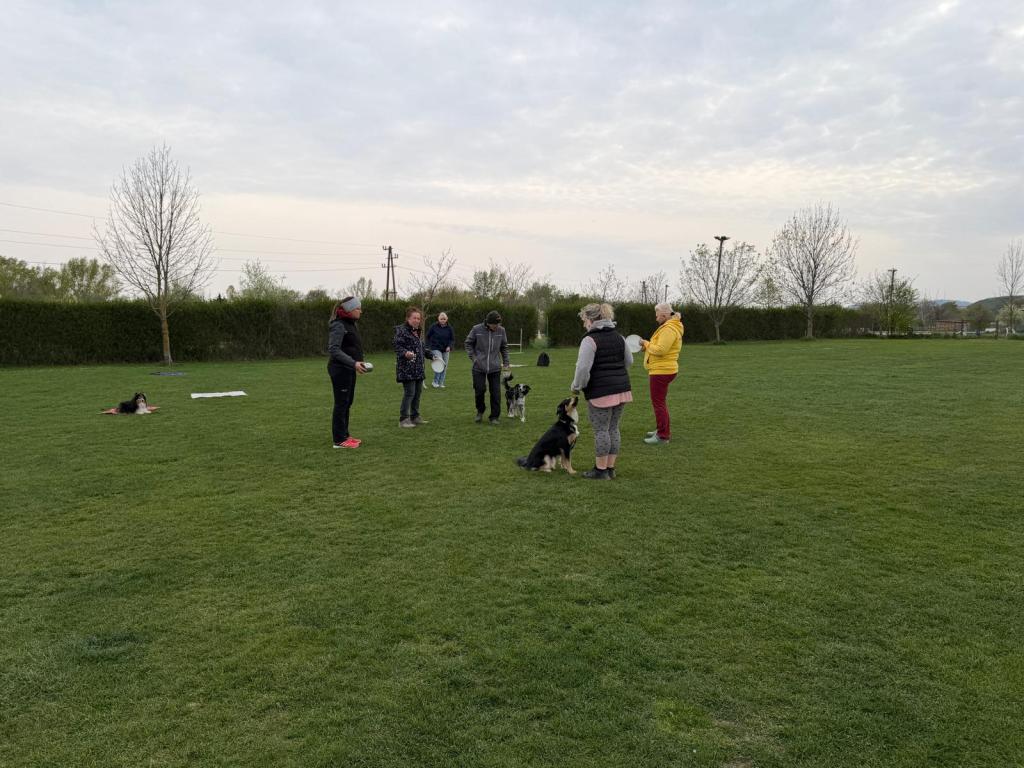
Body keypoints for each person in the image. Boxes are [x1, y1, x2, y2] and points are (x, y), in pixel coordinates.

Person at [570, 303, 632, 479]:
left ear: (591, 320)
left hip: (601, 392)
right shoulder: (619, 337)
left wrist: (576, 387)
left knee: (601, 430)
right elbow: (629, 361)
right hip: (622, 389)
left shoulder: (589, 340)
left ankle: (601, 470)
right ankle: (610, 468)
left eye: (584, 320)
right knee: (613, 428)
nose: (584, 324)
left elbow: (583, 369)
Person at [639, 302, 684, 445]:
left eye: (657, 315)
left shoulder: (668, 329)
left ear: (664, 315)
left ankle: (663, 436)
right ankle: (661, 429)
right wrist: (647, 347)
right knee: (660, 402)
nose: (656, 318)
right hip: (663, 369)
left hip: (661, 371)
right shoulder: (670, 327)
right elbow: (659, 347)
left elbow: (661, 350)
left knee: (659, 404)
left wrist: (646, 343)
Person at [327, 296, 368, 448]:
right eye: (358, 308)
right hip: (340, 369)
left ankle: (345, 435)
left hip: (349, 369)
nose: (360, 311)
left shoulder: (351, 324)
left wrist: (358, 363)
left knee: (347, 402)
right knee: (341, 404)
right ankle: (339, 440)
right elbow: (334, 349)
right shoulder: (338, 325)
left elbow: (351, 347)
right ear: (350, 309)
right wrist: (353, 363)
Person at [464, 310, 510, 425]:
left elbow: (504, 347)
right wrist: (474, 358)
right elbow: (468, 343)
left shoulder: (501, 331)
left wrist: (506, 362)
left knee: (496, 393)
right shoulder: (476, 329)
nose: (497, 326)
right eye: (495, 324)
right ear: (488, 323)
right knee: (479, 390)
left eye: (498, 324)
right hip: (478, 367)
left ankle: (494, 417)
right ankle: (480, 411)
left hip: (495, 367)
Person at [393, 306, 429, 428]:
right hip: (407, 369)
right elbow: (397, 346)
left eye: (419, 318)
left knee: (417, 393)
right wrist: (405, 353)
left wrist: (431, 355)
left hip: (418, 369)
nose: (417, 320)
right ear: (408, 318)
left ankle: (415, 416)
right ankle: (403, 419)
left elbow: (421, 348)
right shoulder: (401, 331)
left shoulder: (417, 331)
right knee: (410, 393)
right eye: (414, 318)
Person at [426, 312, 454, 388]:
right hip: (435, 348)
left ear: (447, 319)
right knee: (439, 363)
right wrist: (428, 346)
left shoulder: (449, 328)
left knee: (444, 366)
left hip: (446, 349)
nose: (443, 320)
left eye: (444, 319)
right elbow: (428, 336)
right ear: (438, 319)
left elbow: (452, 339)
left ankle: (441, 383)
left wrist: (449, 346)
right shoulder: (433, 326)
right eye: (441, 319)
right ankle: (435, 382)